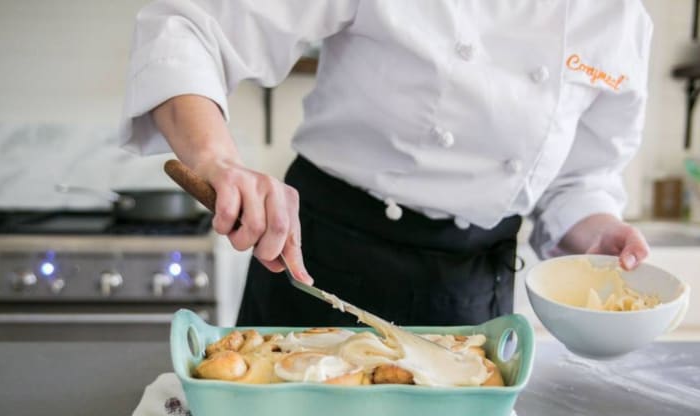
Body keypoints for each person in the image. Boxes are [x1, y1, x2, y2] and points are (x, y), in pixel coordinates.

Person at [120, 0, 652, 327]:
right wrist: (217, 159)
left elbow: (580, 178)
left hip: (472, 294)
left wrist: (596, 229)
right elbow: (190, 25)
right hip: (327, 268)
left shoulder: (621, 17)